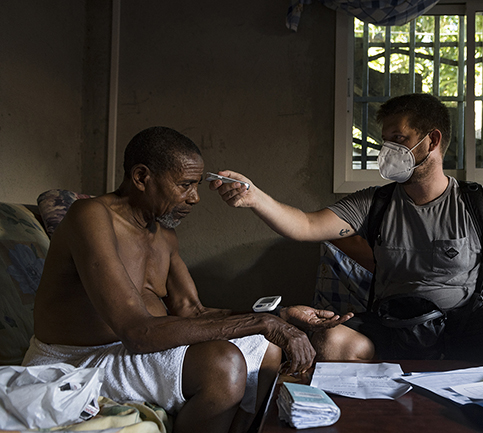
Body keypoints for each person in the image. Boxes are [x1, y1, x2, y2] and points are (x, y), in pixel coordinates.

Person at [211, 93, 483, 377]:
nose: (389, 152)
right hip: (392, 322)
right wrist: (255, 197)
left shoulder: (479, 203)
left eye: (400, 139)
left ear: (432, 140)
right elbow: (305, 225)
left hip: (465, 322)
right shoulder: (375, 203)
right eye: (385, 141)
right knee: (331, 342)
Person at [22, 126, 351, 433]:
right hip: (75, 360)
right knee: (223, 364)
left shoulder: (164, 235)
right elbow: (137, 332)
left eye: (196, 185)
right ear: (141, 177)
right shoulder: (91, 215)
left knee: (265, 347)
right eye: (184, 185)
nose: (194, 197)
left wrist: (280, 317)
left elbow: (192, 311)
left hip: (127, 350)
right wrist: (260, 321)